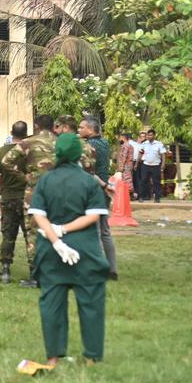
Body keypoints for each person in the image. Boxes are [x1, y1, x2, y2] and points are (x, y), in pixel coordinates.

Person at [28, 132, 110, 366]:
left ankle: (53, 357)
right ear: (79, 155)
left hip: (51, 252)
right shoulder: (88, 181)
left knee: (51, 303)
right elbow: (94, 216)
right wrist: (65, 230)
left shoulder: (45, 180)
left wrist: (56, 240)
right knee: (91, 303)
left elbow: (38, 217)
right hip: (85, 251)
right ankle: (92, 356)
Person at [12, 115, 57, 288]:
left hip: (35, 193)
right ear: (53, 126)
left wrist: (26, 176)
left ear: (37, 126)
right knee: (57, 230)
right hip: (57, 192)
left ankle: (36, 275)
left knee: (33, 233)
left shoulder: (28, 143)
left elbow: (7, 161)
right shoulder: (60, 142)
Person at [0, 121, 31, 284]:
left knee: (8, 235)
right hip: (28, 197)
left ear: (10, 132)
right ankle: (34, 270)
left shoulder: (0, 153)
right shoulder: (30, 152)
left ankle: (6, 269)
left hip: (8, 197)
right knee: (30, 235)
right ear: (26, 133)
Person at [78, 116, 117, 280]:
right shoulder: (105, 143)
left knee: (92, 232)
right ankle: (112, 269)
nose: (79, 130)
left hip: (93, 190)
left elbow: (89, 172)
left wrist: (102, 185)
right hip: (103, 192)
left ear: (90, 129)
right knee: (105, 231)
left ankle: (95, 267)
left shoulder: (89, 146)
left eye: (81, 127)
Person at [137, 129, 166, 202]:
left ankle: (157, 198)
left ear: (154, 135)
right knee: (143, 181)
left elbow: (163, 154)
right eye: (148, 135)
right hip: (146, 165)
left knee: (156, 182)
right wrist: (137, 163)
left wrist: (163, 164)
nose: (149, 136)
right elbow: (140, 153)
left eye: (150, 135)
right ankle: (141, 197)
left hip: (156, 165)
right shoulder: (144, 144)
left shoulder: (159, 144)